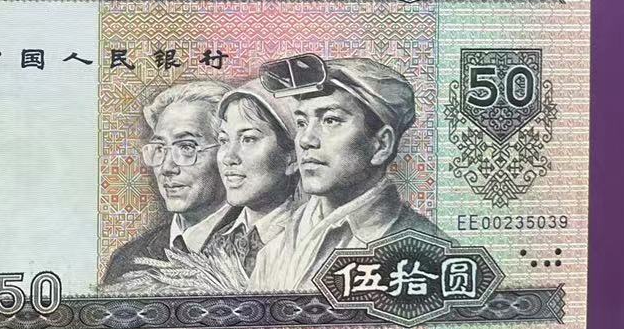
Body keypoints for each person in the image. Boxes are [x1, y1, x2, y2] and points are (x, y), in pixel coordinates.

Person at [250, 55, 441, 291]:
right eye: (301, 123)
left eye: (330, 120)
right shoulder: (275, 248)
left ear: (381, 145)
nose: (306, 140)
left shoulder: (426, 251)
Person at [101, 80, 238, 286]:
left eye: (187, 147)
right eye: (159, 148)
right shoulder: (128, 260)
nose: (166, 167)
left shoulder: (261, 249)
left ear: (226, 152)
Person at [211, 78, 304, 280]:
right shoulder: (216, 242)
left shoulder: (307, 241)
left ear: (292, 157)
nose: (229, 157)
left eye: (249, 139)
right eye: (223, 140)